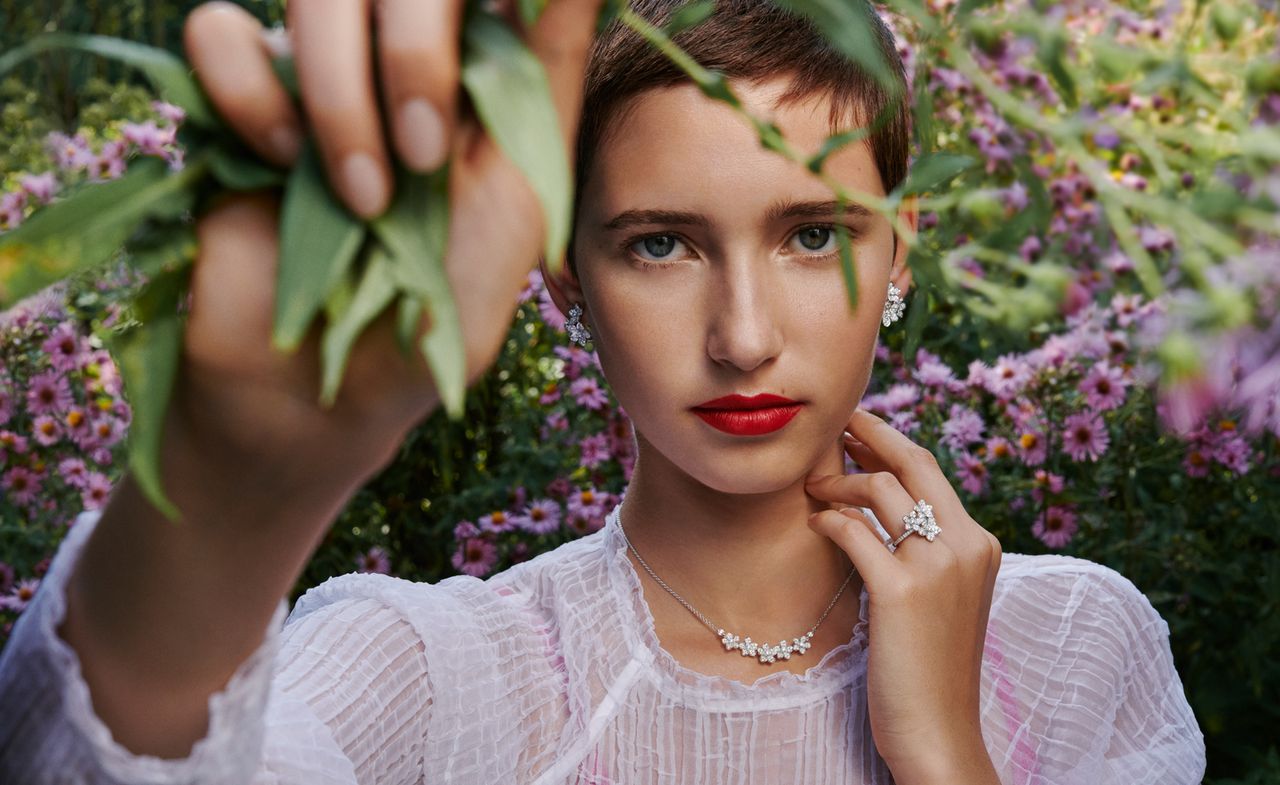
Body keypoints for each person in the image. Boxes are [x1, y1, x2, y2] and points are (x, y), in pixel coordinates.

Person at [0, 0, 1207, 782]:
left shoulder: (1072, 649)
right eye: (659, 244)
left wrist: (944, 750)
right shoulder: (430, 679)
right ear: (564, 281)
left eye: (810, 234)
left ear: (898, 253)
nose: (741, 338)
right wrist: (234, 483)